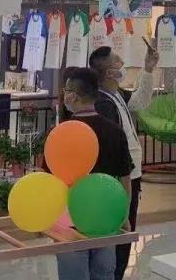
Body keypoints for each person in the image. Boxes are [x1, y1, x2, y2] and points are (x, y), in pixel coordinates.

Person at [90, 44, 159, 280]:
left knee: (126, 233)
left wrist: (148, 69)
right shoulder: (103, 103)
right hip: (121, 178)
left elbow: (139, 102)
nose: (122, 64)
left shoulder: (116, 94)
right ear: (110, 72)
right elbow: (113, 148)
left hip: (130, 174)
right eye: (118, 61)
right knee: (120, 233)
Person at [57, 67, 134, 280]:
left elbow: (52, 179)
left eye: (66, 91)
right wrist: (124, 214)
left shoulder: (63, 133)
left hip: (70, 218)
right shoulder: (115, 131)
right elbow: (125, 177)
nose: (65, 95)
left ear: (74, 95)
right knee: (104, 273)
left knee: (73, 275)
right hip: (106, 217)